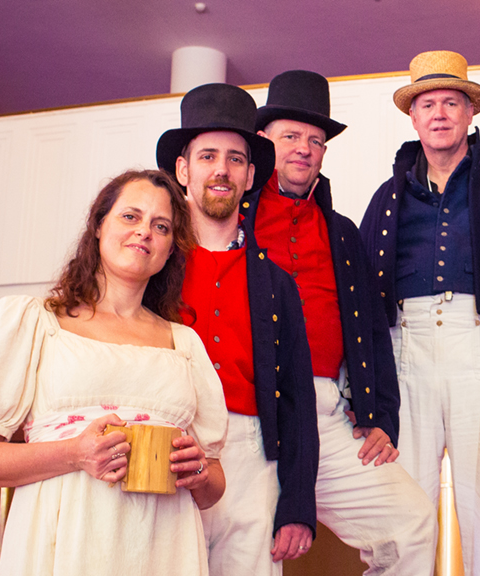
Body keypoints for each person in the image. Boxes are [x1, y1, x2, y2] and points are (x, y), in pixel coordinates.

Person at [0, 169, 228, 576]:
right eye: (130, 216)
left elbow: (212, 487)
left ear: (171, 249)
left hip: (164, 549)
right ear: (99, 225)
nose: (144, 232)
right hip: (62, 544)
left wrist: (197, 471)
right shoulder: (35, 323)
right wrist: (74, 454)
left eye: (161, 225)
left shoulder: (185, 345)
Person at [247, 69, 436, 573]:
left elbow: (374, 333)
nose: (304, 149)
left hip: (327, 415)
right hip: (248, 414)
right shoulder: (232, 218)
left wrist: (382, 419)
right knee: (247, 557)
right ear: (263, 142)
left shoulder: (342, 231)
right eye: (290, 136)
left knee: (412, 521)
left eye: (316, 141)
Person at [360, 50, 480, 576]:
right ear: (412, 115)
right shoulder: (387, 196)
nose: (438, 114)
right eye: (427, 103)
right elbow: (362, 289)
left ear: (469, 112)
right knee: (402, 501)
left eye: (450, 102)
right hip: (406, 344)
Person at [155, 83, 319, 576]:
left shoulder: (279, 285)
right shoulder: (151, 269)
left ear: (250, 176)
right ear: (183, 170)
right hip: (166, 445)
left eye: (235, 159)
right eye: (207, 156)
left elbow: (297, 400)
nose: (221, 170)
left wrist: (298, 503)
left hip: (252, 456)